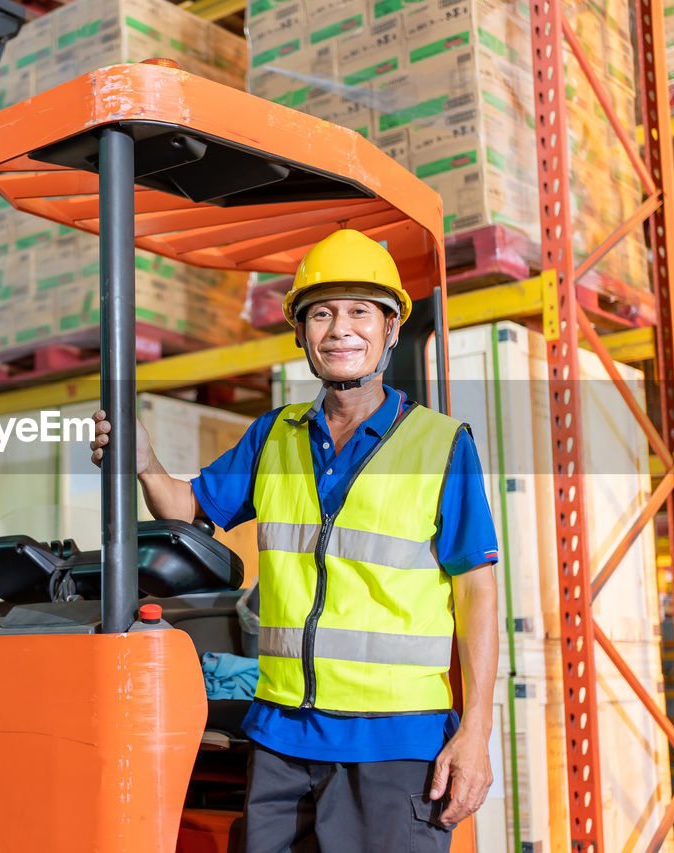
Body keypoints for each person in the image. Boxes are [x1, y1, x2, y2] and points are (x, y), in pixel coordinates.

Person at [90, 229, 499, 852]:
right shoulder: (273, 436)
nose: (340, 329)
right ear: (302, 334)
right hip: (282, 736)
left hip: (392, 743)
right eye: (322, 313)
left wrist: (475, 733)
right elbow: (187, 508)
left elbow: (477, 595)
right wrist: (144, 462)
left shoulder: (441, 445)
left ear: (390, 329)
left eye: (360, 311)